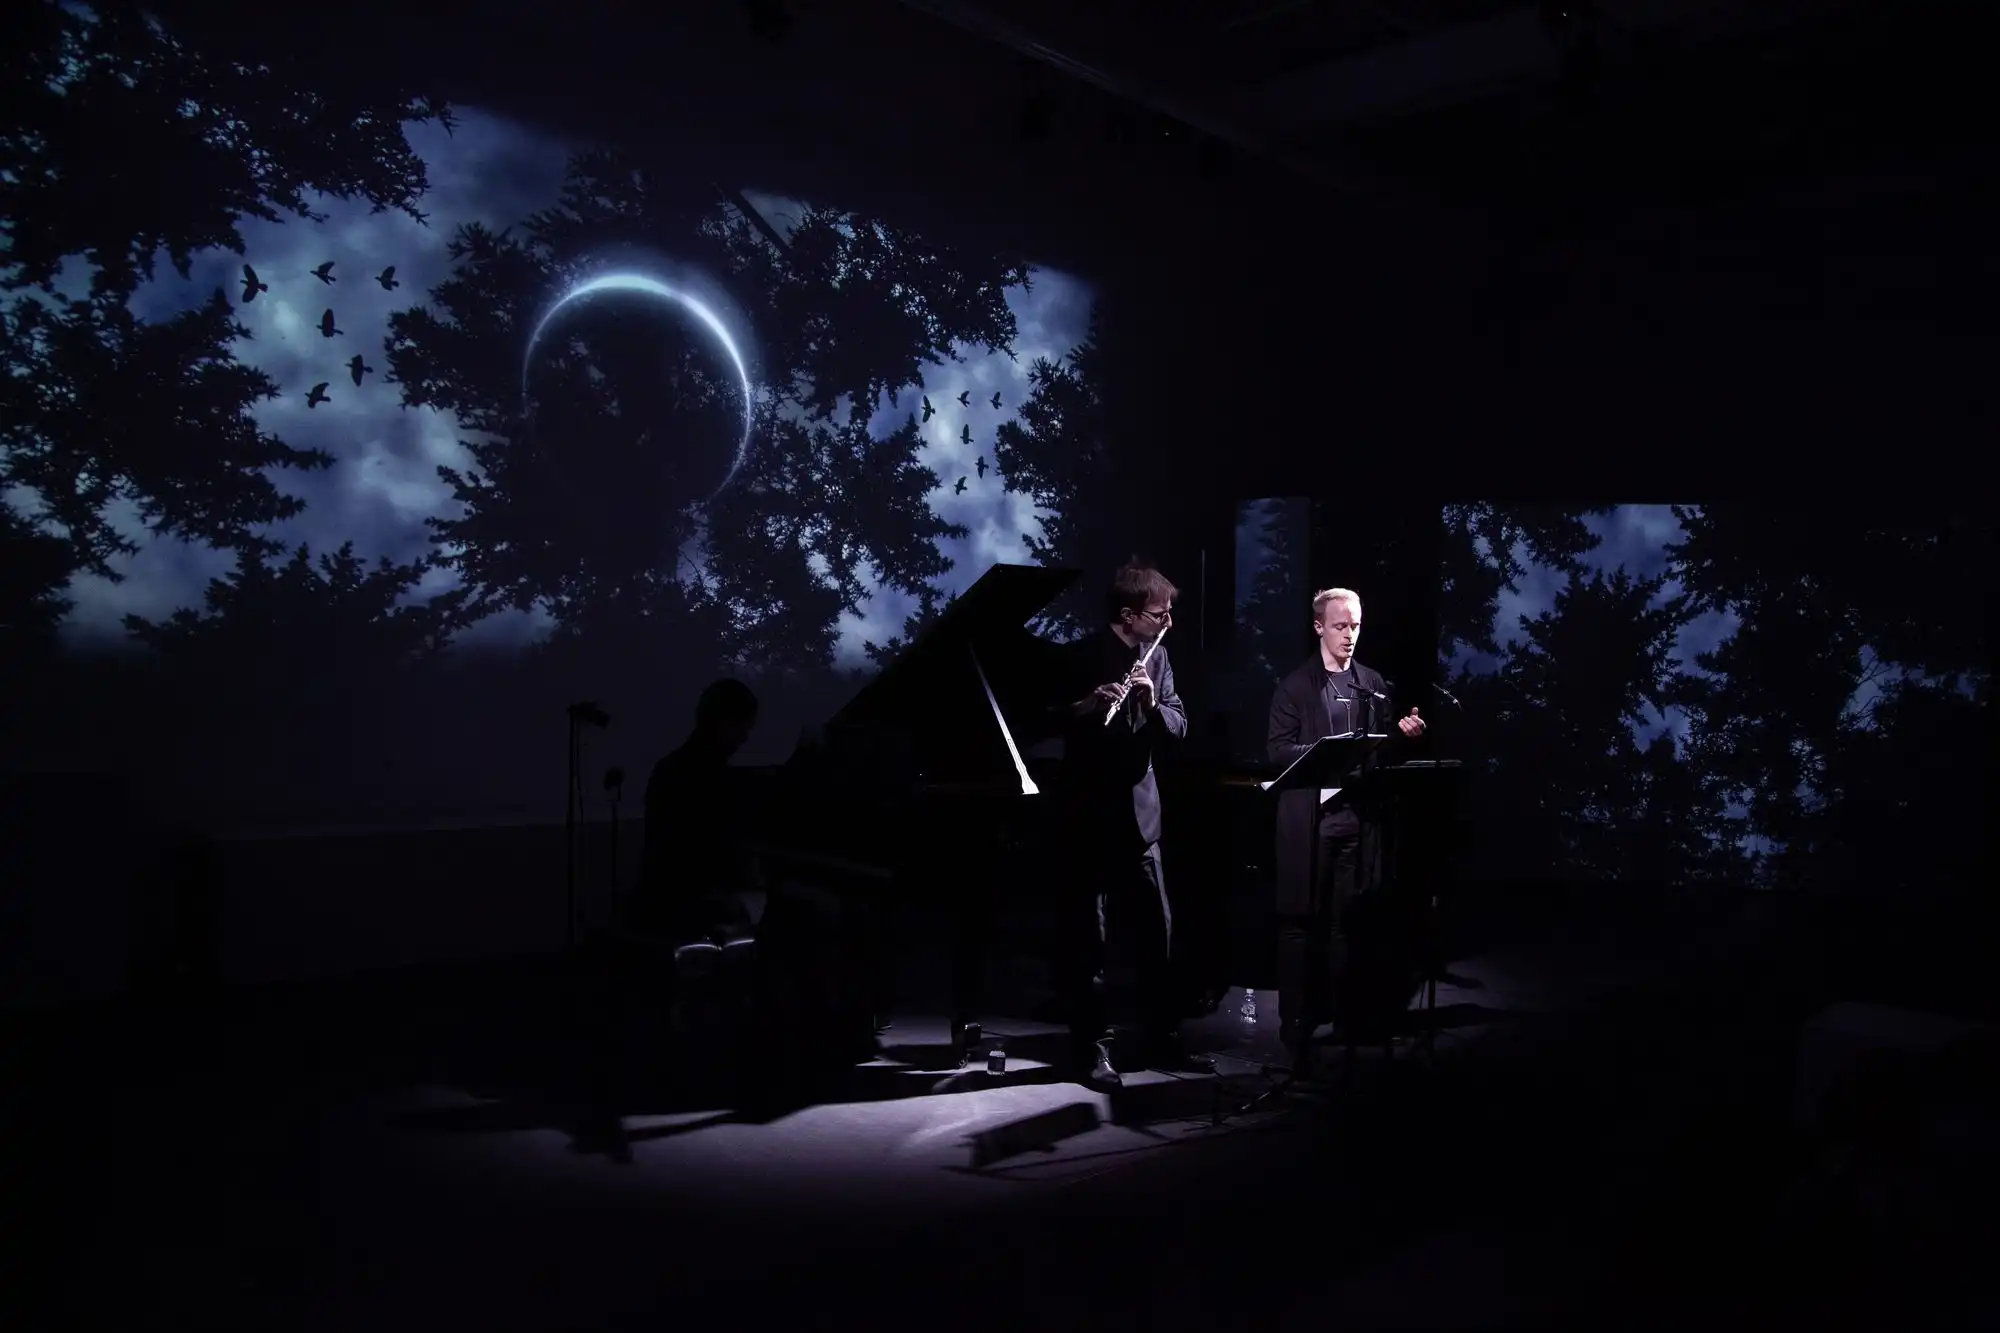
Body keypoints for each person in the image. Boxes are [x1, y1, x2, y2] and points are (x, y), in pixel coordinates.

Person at [1052, 560, 1211, 1088]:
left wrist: (1150, 701)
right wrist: (1086, 705)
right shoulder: (1081, 656)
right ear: (1128, 615)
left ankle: (1161, 1036)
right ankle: (1092, 1048)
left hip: (1141, 818)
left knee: (1156, 934)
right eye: (1160, 615)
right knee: (1090, 940)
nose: (1168, 623)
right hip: (1090, 816)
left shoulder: (1158, 659)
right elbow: (1047, 722)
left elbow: (1179, 725)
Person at [1265, 588, 1425, 1060]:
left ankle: (1346, 1018)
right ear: (1319, 627)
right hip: (1309, 820)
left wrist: (1402, 736)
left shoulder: (1371, 683)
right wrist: (1324, 754)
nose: (1349, 635)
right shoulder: (1295, 687)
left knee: (1348, 923)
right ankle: (1295, 1023)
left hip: (1356, 819)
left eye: (1355, 625)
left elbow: (1382, 751)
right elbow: (1277, 751)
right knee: (1300, 922)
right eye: (1340, 626)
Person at [630, 677, 762, 943]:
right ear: (721, 722)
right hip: (684, 909)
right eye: (741, 728)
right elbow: (691, 854)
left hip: (676, 902)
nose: (745, 738)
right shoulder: (701, 777)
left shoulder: (673, 768)